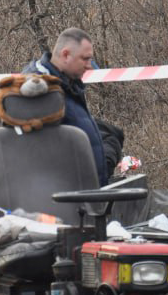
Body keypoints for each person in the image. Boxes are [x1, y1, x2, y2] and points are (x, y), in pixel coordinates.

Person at [24, 28, 108, 185]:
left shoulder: (68, 85)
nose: (90, 66)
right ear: (66, 55)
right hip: (63, 201)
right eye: (85, 59)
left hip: (83, 197)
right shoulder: (41, 90)